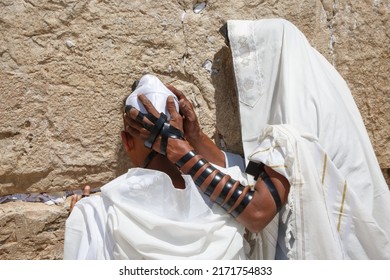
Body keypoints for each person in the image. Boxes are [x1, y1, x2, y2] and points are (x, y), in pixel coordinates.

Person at [126, 19, 390, 260]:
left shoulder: (298, 132)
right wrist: (195, 137)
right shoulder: (316, 101)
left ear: (274, 65)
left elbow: (257, 212)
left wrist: (182, 154)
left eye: (249, 73)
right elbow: (259, 174)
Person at [64, 75, 247, 260]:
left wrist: (81, 226)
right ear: (184, 136)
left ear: (126, 142)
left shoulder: (97, 216)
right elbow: (237, 170)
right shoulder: (232, 199)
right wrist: (196, 136)